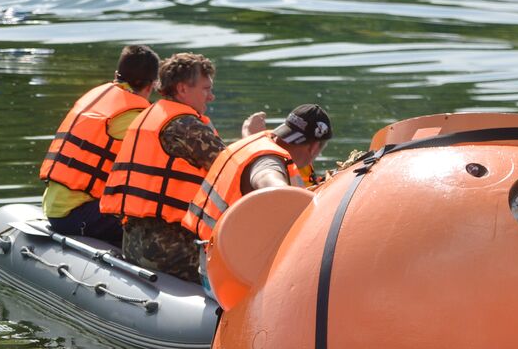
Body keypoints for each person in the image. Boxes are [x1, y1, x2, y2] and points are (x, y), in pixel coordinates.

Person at [100, 52, 229, 282]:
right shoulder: (187, 126)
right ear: (182, 89)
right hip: (171, 252)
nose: (211, 97)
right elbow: (232, 170)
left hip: (132, 244)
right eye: (205, 89)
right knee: (249, 264)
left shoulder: (148, 115)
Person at [40, 45, 160, 245]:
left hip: (55, 207)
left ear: (116, 75)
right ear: (151, 85)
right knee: (157, 230)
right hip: (78, 214)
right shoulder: (134, 118)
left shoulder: (96, 97)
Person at [182, 104, 333, 247]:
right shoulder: (269, 163)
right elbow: (271, 182)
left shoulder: (259, 142)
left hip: (211, 250)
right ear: (314, 148)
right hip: (227, 264)